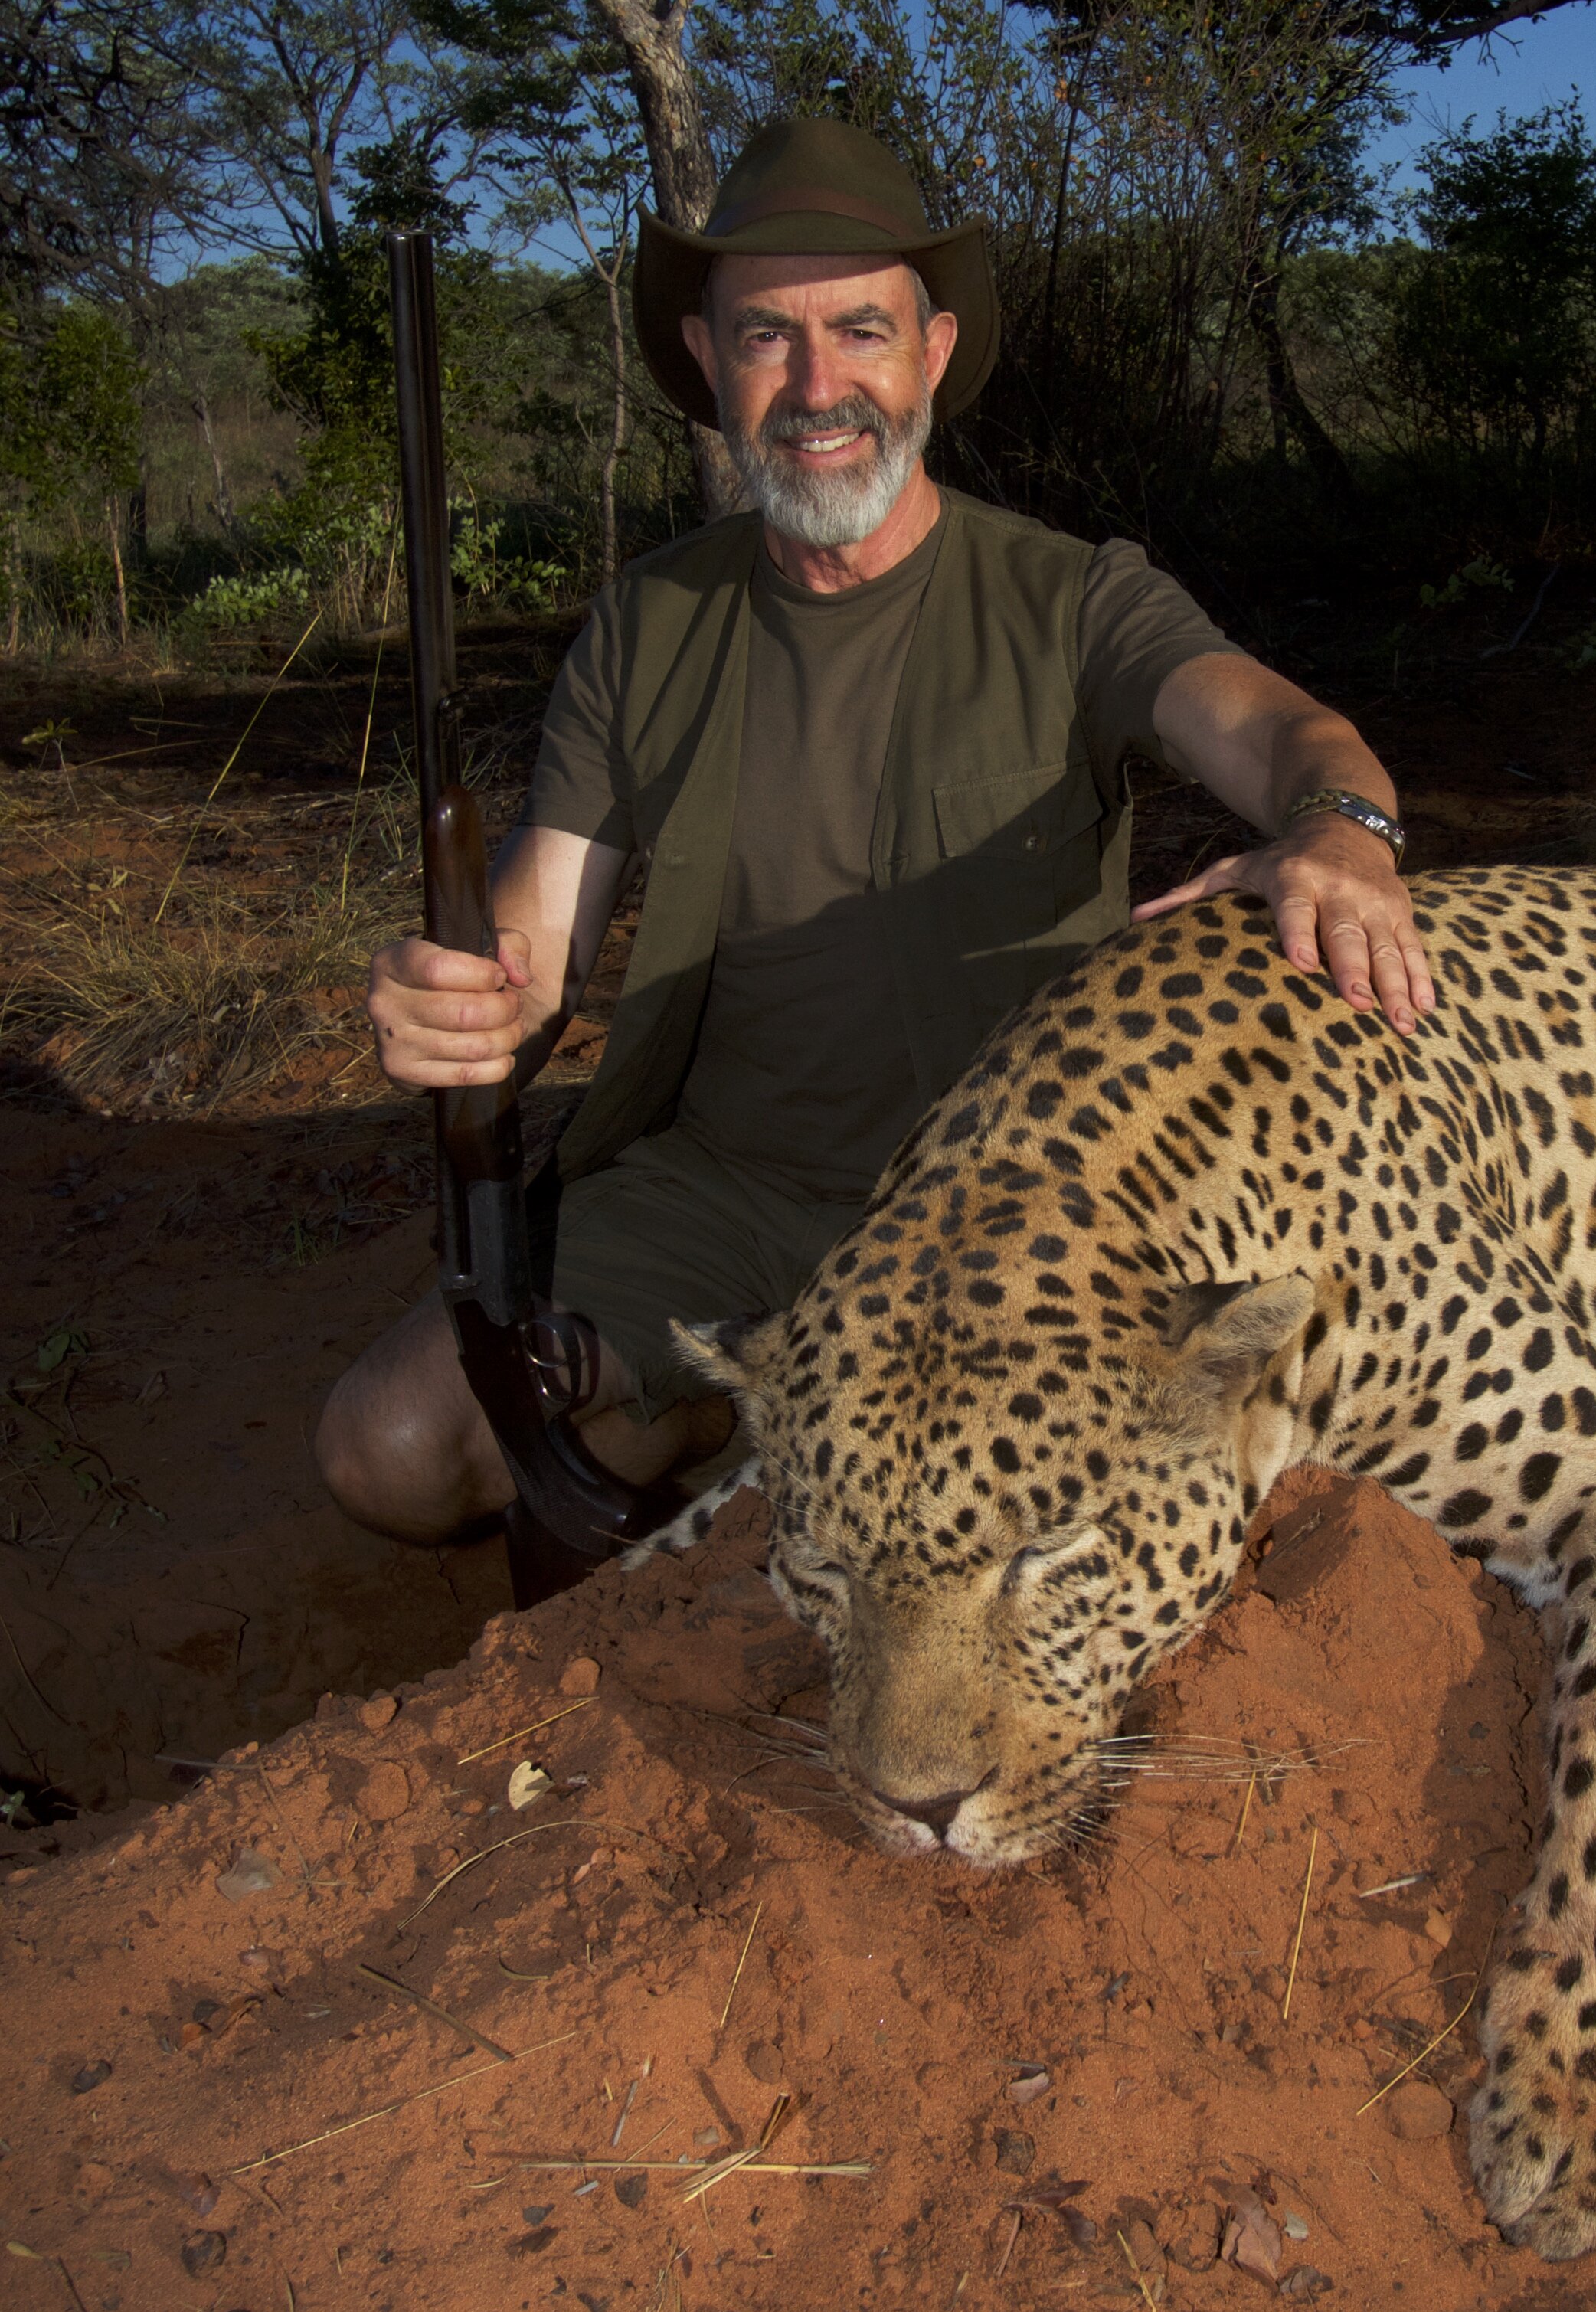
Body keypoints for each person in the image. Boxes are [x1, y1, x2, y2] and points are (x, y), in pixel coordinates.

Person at [315, 115, 1428, 1547]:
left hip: (1018, 1210)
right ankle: (728, 1399)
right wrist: (465, 1007)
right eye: (768, 337)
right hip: (722, 1189)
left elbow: (1287, 737)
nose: (817, 384)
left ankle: (747, 1424)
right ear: (710, 363)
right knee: (393, 1447)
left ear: (934, 352)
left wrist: (1339, 830)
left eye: (860, 330)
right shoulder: (646, 621)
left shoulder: (1074, 596)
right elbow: (536, 931)